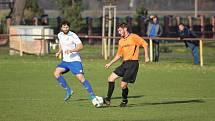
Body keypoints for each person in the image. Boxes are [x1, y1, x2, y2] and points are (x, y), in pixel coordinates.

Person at [103, 23, 149, 107]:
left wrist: (146, 56)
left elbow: (145, 44)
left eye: (120, 30)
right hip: (124, 63)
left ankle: (124, 100)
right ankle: (108, 100)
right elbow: (118, 55)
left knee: (123, 85)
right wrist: (110, 63)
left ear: (125, 29)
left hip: (133, 64)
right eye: (118, 31)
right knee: (110, 78)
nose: (119, 32)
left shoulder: (134, 37)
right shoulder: (121, 41)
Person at [54, 20, 97, 102]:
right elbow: (61, 44)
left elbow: (80, 46)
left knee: (81, 78)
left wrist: (72, 50)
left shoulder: (73, 35)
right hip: (65, 61)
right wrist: (59, 51)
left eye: (67, 27)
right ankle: (68, 90)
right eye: (64, 27)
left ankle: (93, 95)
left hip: (74, 61)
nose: (65, 28)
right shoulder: (60, 35)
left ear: (69, 27)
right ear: (61, 27)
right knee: (56, 73)